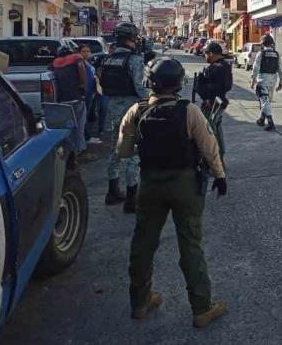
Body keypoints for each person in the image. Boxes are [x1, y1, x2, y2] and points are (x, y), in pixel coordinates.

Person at [118, 57, 228, 328]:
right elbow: (209, 146)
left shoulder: (137, 110)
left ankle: (140, 302)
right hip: (185, 184)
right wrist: (220, 175)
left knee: (143, 243)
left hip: (150, 184)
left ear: (150, 82)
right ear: (179, 83)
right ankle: (202, 308)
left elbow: (123, 150)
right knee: (190, 245)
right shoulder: (188, 110)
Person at [100, 22, 149, 212]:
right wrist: (154, 99)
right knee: (131, 153)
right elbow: (140, 87)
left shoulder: (108, 58)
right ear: (131, 39)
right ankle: (131, 199)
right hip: (131, 109)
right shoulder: (134, 60)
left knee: (114, 149)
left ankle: (112, 191)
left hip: (112, 107)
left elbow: (103, 84)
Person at [195, 41, 233, 162]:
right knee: (215, 129)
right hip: (218, 102)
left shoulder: (217, 68)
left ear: (211, 53)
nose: (204, 56)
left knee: (210, 132)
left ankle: (216, 160)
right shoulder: (223, 66)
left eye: (206, 54)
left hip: (212, 104)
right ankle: (219, 158)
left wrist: (208, 98)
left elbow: (216, 87)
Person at [50, 45, 87, 154]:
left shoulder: (55, 62)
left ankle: (69, 152)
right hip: (76, 97)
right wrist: (84, 88)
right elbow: (82, 73)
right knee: (79, 126)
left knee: (67, 126)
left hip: (61, 100)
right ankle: (80, 149)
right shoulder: (77, 58)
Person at [250, 34, 282, 131]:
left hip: (262, 81)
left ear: (262, 44)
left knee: (265, 101)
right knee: (267, 101)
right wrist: (281, 83)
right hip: (272, 81)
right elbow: (280, 69)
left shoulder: (261, 53)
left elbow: (255, 68)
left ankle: (270, 122)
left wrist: (252, 80)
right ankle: (261, 119)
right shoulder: (277, 54)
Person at [79, 44, 102, 145]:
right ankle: (86, 138)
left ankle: (85, 137)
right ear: (79, 52)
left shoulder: (88, 62)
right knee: (83, 117)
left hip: (91, 93)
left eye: (88, 51)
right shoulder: (80, 63)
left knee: (87, 116)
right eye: (83, 51)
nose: (86, 53)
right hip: (86, 93)